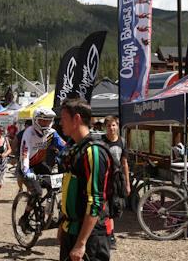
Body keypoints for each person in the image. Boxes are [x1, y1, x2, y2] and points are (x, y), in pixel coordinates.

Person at [58, 98, 110, 261]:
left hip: (89, 237)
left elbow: (95, 200)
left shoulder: (93, 151)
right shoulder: (76, 148)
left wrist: (81, 243)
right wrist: (62, 225)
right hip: (71, 230)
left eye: (63, 118)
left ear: (77, 119)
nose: (60, 123)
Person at [18, 108, 65, 214]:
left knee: (55, 185)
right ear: (35, 120)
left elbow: (64, 147)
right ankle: (25, 217)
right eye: (43, 120)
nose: (46, 123)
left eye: (48, 121)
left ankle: (48, 211)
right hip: (26, 166)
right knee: (38, 192)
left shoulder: (52, 133)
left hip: (39, 164)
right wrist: (26, 171)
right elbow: (24, 153)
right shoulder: (29, 133)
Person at [102, 116, 131, 250]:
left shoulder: (122, 142)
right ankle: (107, 234)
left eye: (114, 125)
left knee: (114, 207)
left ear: (117, 126)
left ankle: (110, 235)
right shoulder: (101, 142)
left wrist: (127, 183)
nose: (111, 128)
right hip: (103, 178)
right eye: (109, 126)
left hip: (116, 179)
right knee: (104, 207)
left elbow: (124, 163)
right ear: (105, 127)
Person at [12, 119, 32, 192]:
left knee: (28, 175)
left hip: (31, 158)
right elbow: (14, 144)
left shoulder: (30, 134)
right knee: (20, 175)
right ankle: (21, 188)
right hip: (21, 157)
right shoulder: (21, 134)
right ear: (25, 126)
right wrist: (15, 155)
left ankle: (28, 190)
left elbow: (14, 144)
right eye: (28, 126)